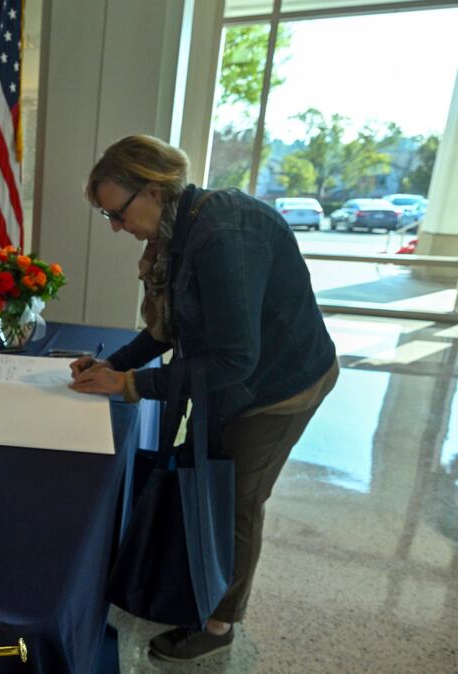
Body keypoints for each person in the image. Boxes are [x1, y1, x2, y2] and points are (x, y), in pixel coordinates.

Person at [69, 135, 338, 662]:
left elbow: (234, 359)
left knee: (237, 499)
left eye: (116, 213)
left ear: (152, 188)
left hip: (281, 388)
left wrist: (132, 387)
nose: (117, 228)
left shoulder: (224, 234)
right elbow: (172, 329)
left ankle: (219, 627)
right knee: (208, 483)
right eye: (108, 217)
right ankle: (198, 582)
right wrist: (117, 364)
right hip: (237, 381)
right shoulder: (180, 229)